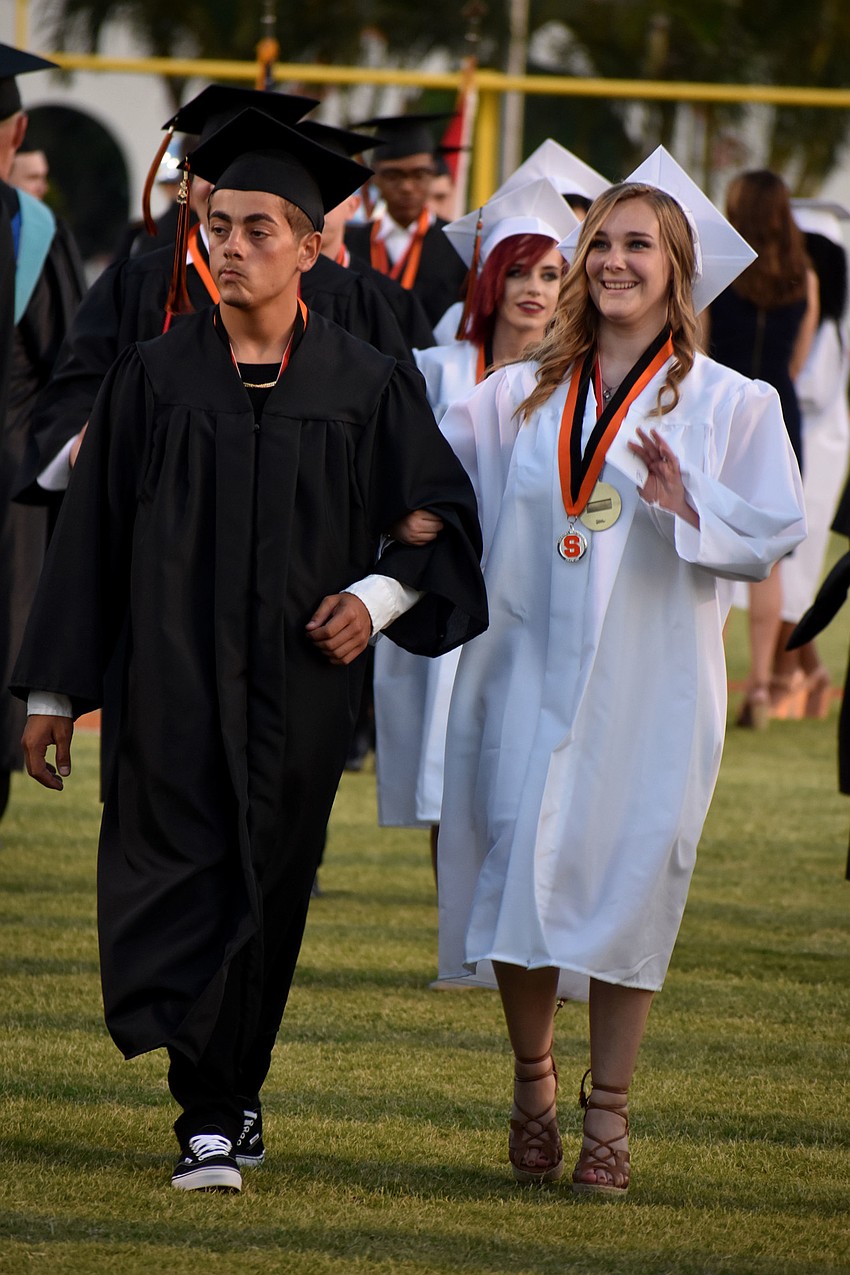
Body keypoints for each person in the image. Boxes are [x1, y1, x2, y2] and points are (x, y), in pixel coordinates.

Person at [12, 106, 488, 1194]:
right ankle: (210, 1113)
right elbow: (90, 543)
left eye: (258, 229)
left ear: (313, 245)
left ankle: (230, 1091)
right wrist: (51, 693)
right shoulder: (152, 378)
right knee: (176, 878)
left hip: (299, 689)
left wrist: (373, 596)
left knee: (269, 890)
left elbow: (439, 521)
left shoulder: (364, 384)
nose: (230, 247)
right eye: (217, 226)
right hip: (168, 683)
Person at [433, 147, 805, 1195]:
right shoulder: (514, 395)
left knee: (629, 886)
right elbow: (431, 489)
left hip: (649, 689)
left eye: (638, 244)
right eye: (599, 241)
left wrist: (694, 504)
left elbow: (773, 527)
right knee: (515, 877)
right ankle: (533, 1082)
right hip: (520, 672)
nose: (612, 261)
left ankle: (609, 1110)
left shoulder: (729, 403)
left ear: (678, 268)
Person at [13, 87, 414, 511]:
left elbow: (392, 422)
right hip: (163, 517)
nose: (227, 185)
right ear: (188, 184)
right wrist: (80, 445)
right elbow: (76, 391)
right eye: (213, 168)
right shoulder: (135, 283)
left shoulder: (347, 295)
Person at [375, 179, 575, 881]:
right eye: (518, 271)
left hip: (537, 585)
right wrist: (395, 511)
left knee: (529, 767)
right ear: (490, 279)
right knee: (451, 776)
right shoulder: (436, 370)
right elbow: (386, 462)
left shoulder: (575, 378)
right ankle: (457, 920)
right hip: (450, 584)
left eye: (550, 274)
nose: (534, 289)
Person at [0, 42, 85, 823]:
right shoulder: (31, 230)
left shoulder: (32, 228)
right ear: (18, 130)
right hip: (11, 498)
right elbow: (67, 371)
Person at [706, 169, 818, 727]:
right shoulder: (805, 277)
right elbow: (798, 360)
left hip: (721, 412)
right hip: (777, 416)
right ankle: (759, 688)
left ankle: (709, 679)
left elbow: (698, 347)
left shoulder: (718, 272)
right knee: (768, 557)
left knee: (710, 548)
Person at [771, 201, 850, 717]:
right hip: (803, 441)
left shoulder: (829, 327)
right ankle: (811, 674)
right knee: (789, 573)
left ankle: (788, 676)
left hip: (816, 449)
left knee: (793, 571)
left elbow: (815, 389)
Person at [432, 141, 608, 346]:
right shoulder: (456, 329)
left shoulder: (597, 326)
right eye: (516, 272)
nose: (565, 244)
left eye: (575, 232)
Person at [344, 113, 468, 328]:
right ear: (374, 178)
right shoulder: (349, 245)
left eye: (419, 174)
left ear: (433, 174)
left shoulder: (459, 245)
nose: (407, 187)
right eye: (393, 175)